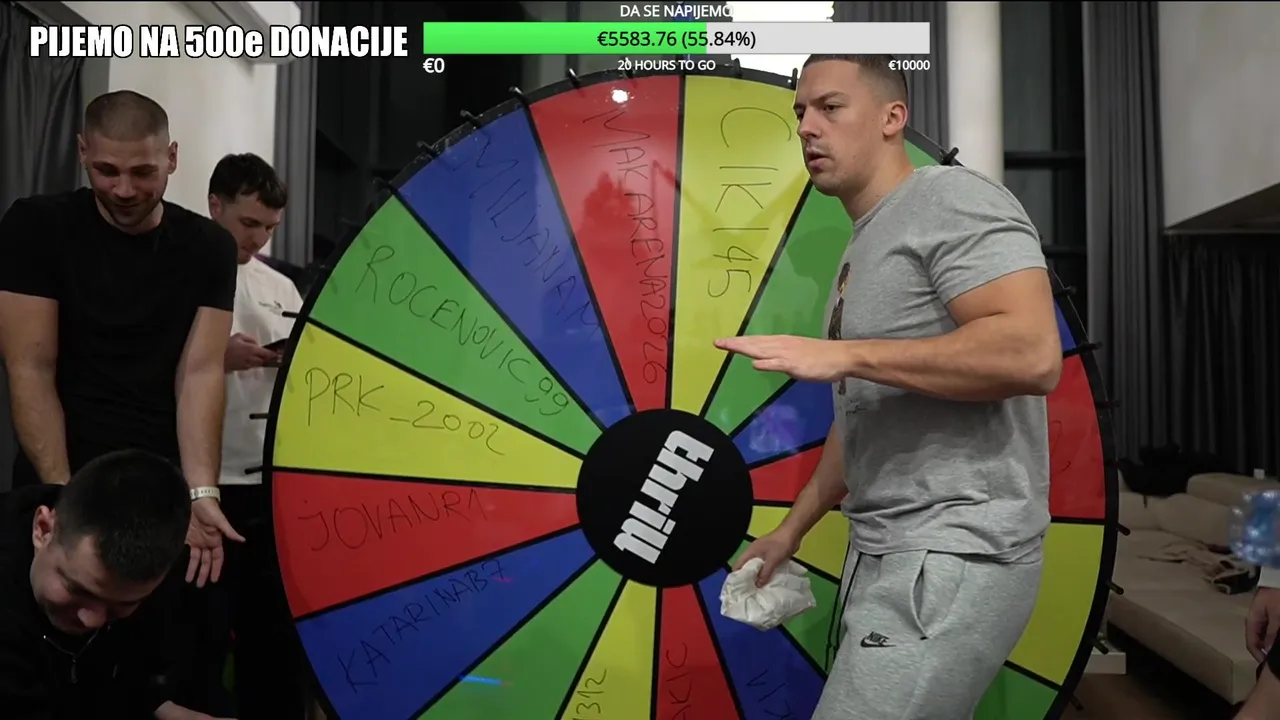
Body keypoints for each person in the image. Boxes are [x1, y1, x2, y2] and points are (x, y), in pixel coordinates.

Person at [718, 55, 1062, 719]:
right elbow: (866, 414)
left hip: (953, 547)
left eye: (830, 107)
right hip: (888, 549)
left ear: (892, 117)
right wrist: (791, 530)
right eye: (800, 112)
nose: (807, 127)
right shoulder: (865, 244)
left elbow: (1031, 353)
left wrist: (845, 354)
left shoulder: (951, 199)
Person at [0, 89, 244, 589]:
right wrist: (65, 496)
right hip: (60, 472)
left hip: (157, 482)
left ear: (171, 158)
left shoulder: (210, 247)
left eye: (143, 172)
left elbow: (199, 375)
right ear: (82, 151)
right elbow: (30, 369)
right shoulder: (36, 226)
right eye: (107, 171)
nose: (124, 189)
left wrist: (201, 493)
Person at [194, 152, 305, 719]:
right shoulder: (182, 269)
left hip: (272, 483)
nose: (259, 238)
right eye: (249, 223)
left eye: (270, 227)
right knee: (203, 630)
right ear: (215, 206)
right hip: (206, 483)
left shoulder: (283, 286)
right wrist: (218, 356)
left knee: (273, 633)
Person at [0, 449, 231, 720]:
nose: (92, 620)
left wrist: (161, 707)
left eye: (120, 606)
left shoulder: (160, 581)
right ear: (43, 529)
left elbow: (126, 682)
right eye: (77, 590)